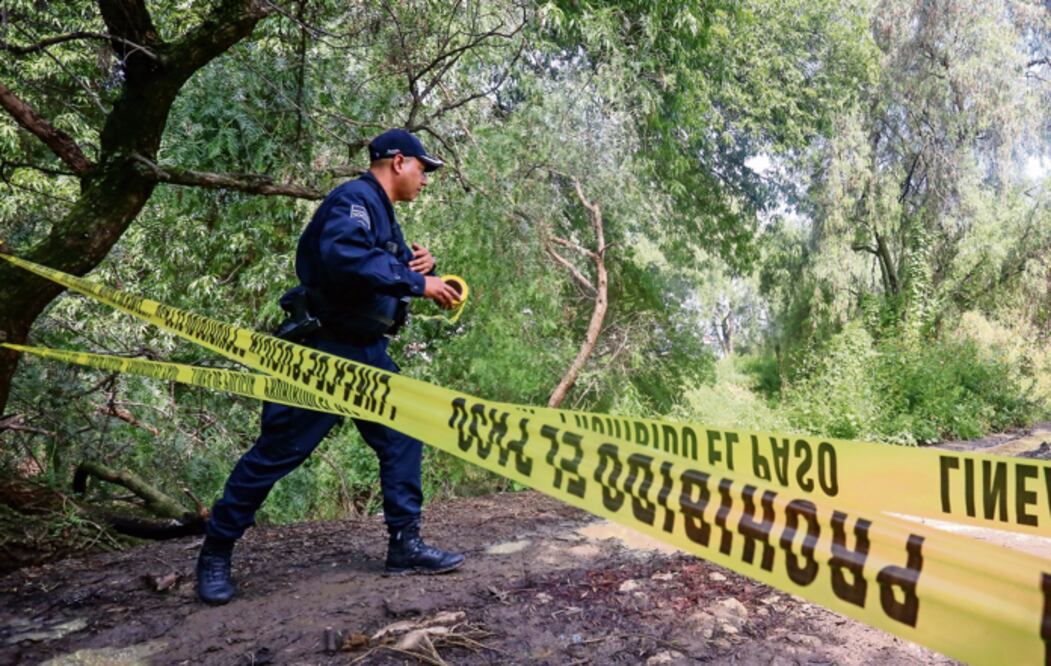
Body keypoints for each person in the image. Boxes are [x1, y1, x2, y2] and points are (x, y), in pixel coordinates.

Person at [195, 129, 465, 605]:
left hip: (367, 351)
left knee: (403, 434)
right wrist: (417, 283)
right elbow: (345, 259)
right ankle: (215, 552)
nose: (425, 179)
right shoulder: (353, 199)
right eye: (423, 169)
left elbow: (388, 266)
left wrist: (422, 266)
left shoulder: (383, 213)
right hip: (323, 353)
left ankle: (405, 544)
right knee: (279, 451)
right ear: (398, 162)